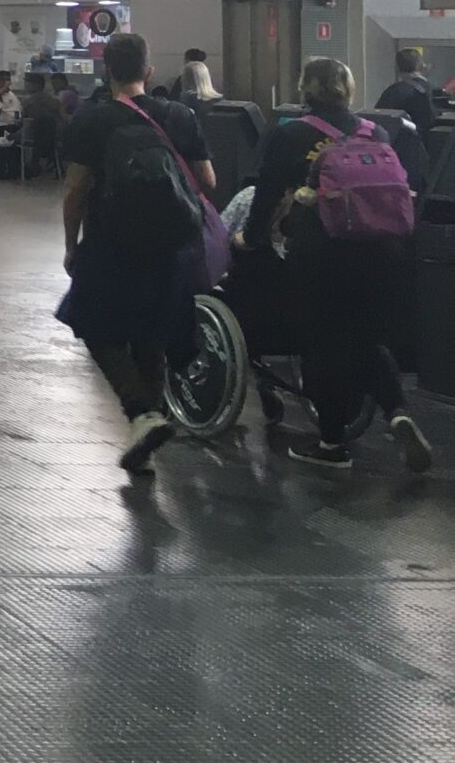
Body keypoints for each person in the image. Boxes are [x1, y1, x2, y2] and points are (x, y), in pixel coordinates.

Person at [241, 57, 432, 474]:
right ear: (348, 90)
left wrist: (253, 240)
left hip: (322, 254)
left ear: (305, 90)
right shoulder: (376, 131)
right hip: (381, 252)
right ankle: (398, 412)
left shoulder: (289, 134)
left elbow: (266, 195)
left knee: (323, 345)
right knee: (368, 339)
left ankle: (331, 444)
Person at [57, 31, 216, 474]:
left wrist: (72, 246)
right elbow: (208, 181)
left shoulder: (92, 120)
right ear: (148, 70)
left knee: (94, 325)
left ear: (107, 70)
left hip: (110, 241)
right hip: (170, 246)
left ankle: (142, 414)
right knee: (152, 334)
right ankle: (150, 421)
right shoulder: (178, 116)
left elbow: (75, 191)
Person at [376, 47, 439, 135]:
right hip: (435, 145)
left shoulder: (393, 92)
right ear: (420, 66)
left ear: (397, 68)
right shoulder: (436, 92)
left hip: (402, 145)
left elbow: (379, 120)